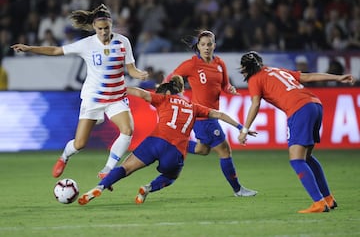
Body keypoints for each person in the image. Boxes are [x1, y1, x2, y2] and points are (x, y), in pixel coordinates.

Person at [11, 4, 148, 178]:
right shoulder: (87, 44)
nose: (104, 32)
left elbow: (131, 68)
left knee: (128, 130)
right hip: (94, 99)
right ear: (93, 27)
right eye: (100, 29)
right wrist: (30, 49)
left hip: (116, 97)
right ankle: (64, 156)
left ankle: (107, 169)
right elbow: (56, 50)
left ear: (111, 25)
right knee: (80, 143)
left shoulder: (123, 42)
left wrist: (139, 74)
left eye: (107, 28)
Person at [77, 76, 257, 205]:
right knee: (171, 176)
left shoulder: (163, 100)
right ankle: (147, 188)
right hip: (176, 150)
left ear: (168, 92)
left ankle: (100, 187)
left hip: (155, 141)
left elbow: (140, 93)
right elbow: (220, 114)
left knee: (125, 168)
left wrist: (116, 89)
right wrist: (241, 127)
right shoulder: (194, 107)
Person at [238, 51, 355, 213]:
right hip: (315, 105)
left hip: (299, 109)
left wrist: (244, 130)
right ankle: (328, 198)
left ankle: (319, 203)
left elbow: (255, 104)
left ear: (245, 69)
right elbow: (307, 77)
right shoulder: (277, 71)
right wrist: (336, 77)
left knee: (297, 160)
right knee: (306, 157)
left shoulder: (254, 79)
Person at [164, 30, 257, 197]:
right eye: (203, 45)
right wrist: (174, 94)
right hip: (202, 116)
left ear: (214, 45)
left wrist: (230, 89)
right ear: (198, 47)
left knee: (203, 149)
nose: (206, 47)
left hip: (212, 114)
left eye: (209, 44)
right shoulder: (191, 64)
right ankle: (238, 190)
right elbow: (170, 79)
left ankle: (173, 144)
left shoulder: (220, 63)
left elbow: (225, 85)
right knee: (225, 151)